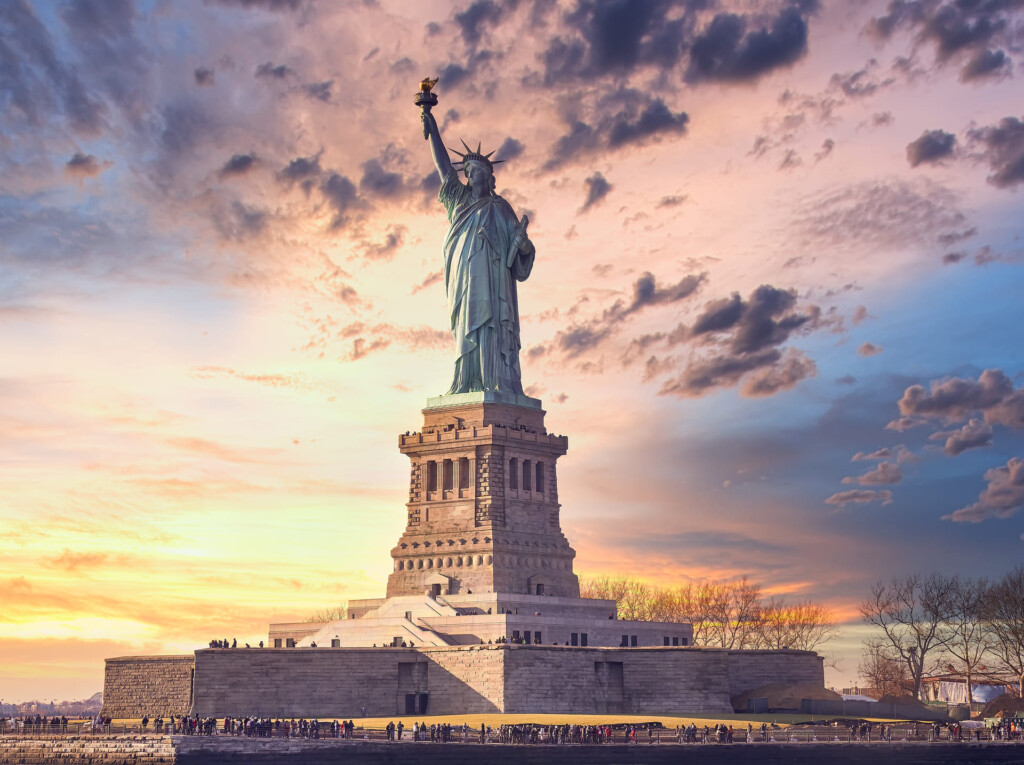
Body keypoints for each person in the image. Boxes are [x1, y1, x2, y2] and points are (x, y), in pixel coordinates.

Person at [420, 102, 535, 395]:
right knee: (467, 327)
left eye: (475, 172)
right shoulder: (458, 200)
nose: (470, 176)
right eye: (468, 172)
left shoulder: (501, 209)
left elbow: (521, 252)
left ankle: (495, 382)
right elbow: (443, 167)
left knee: (492, 327)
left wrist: (522, 246)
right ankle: (466, 382)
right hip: (465, 279)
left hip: (495, 284)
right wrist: (431, 124)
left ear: (488, 176)